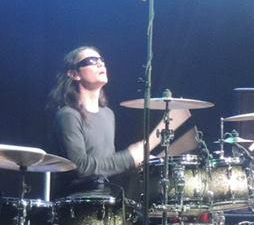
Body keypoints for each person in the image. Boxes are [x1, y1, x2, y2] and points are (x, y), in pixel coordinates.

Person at [48, 46, 189, 194]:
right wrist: (130, 157)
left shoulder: (108, 114)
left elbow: (108, 167)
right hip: (76, 201)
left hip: (107, 198)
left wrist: (144, 162)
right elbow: (80, 167)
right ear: (74, 74)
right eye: (91, 60)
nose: (100, 63)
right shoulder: (68, 115)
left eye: (101, 59)